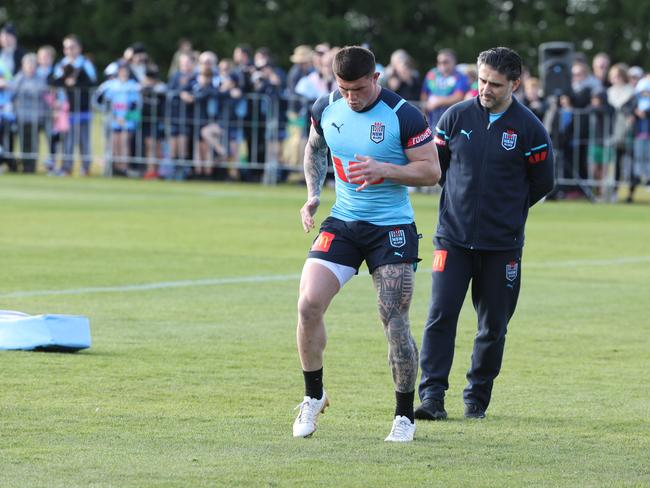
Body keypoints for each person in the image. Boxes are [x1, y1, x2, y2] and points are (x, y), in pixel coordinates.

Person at [293, 45, 441, 442]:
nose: (351, 97)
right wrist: (312, 194)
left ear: (376, 79)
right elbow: (314, 148)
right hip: (343, 220)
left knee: (393, 321)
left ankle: (404, 415)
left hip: (390, 228)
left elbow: (431, 171)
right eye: (344, 89)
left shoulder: (403, 115)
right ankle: (314, 395)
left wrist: (385, 169)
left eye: (359, 88)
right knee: (308, 304)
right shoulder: (326, 106)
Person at [415, 47, 554, 422]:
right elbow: (437, 169)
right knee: (440, 316)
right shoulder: (455, 116)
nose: (485, 89)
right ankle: (431, 398)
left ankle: (476, 399)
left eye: (494, 83)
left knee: (493, 326)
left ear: (515, 84)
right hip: (453, 240)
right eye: (481, 80)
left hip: (502, 246)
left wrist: (507, 213)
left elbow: (542, 183)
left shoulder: (529, 129)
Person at [49, 34, 97, 176]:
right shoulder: (62, 64)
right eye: (66, 48)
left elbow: (92, 83)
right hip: (66, 108)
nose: (69, 51)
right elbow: (54, 81)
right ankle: (67, 167)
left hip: (82, 107)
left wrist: (75, 84)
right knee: (67, 140)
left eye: (72, 47)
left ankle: (85, 167)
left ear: (79, 48)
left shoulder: (85, 64)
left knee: (84, 140)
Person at [420, 48, 469, 128]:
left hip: (452, 121)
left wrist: (438, 101)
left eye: (445, 62)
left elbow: (459, 97)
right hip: (432, 121)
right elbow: (424, 94)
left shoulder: (460, 76)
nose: (442, 65)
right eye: (439, 62)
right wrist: (424, 112)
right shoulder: (431, 74)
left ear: (454, 62)